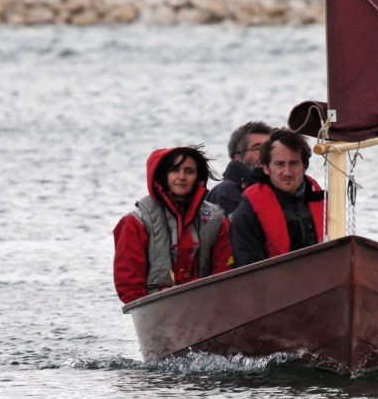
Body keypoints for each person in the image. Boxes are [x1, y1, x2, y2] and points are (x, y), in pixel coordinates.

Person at [113, 146, 233, 304]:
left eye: (189, 171)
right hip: (156, 310)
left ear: (198, 177)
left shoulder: (216, 220)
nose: (182, 177)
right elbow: (128, 282)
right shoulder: (135, 221)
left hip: (206, 306)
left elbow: (224, 273)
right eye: (175, 170)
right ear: (163, 175)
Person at [229, 129, 325, 267]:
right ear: (266, 168)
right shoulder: (247, 213)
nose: (287, 172)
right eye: (279, 164)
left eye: (294, 163)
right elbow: (248, 270)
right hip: (272, 284)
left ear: (304, 167)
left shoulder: (323, 201)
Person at [206, 120, 273, 215]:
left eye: (270, 148)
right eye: (258, 149)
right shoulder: (225, 194)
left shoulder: (281, 190)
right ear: (237, 158)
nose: (266, 154)